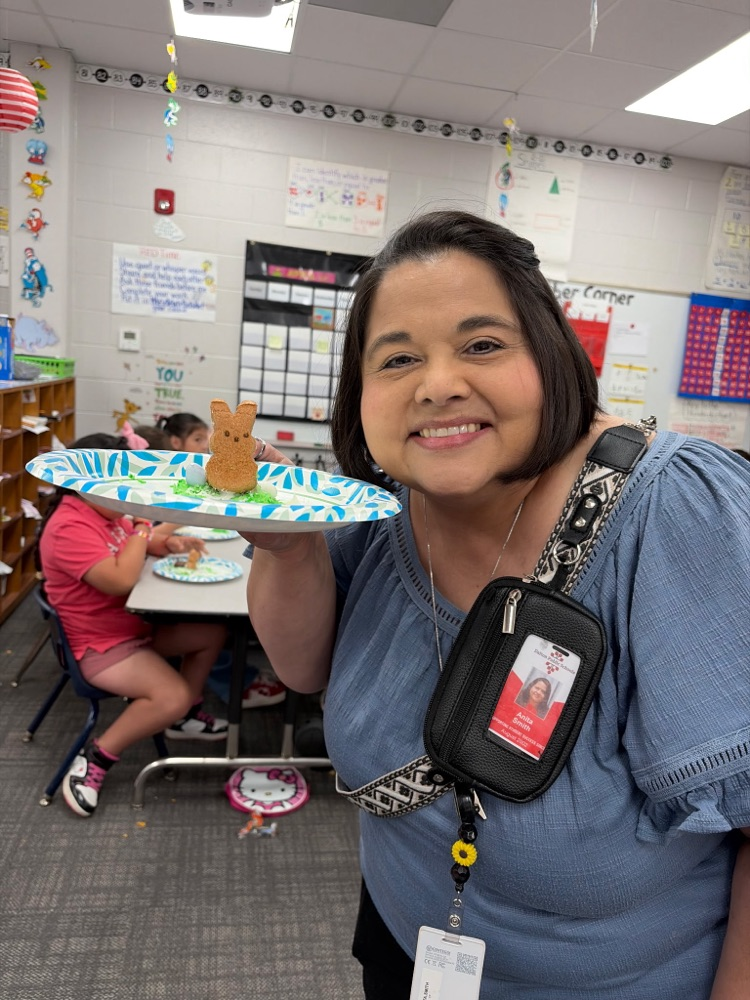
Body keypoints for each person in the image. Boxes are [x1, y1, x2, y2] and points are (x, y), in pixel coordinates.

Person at [244, 210, 750, 999]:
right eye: (398, 358)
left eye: (482, 345)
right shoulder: (380, 507)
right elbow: (302, 666)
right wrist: (285, 544)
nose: (438, 384)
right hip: (406, 941)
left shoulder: (672, 512)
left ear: (549, 353)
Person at [38, 433, 228, 818]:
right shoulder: (69, 526)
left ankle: (183, 716)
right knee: (171, 695)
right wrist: (142, 524)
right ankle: (96, 756)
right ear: (88, 482)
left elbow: (136, 544)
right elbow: (122, 578)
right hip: (100, 647)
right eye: (121, 483)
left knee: (211, 633)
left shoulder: (105, 512)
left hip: (132, 629)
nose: (128, 490)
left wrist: (168, 543)